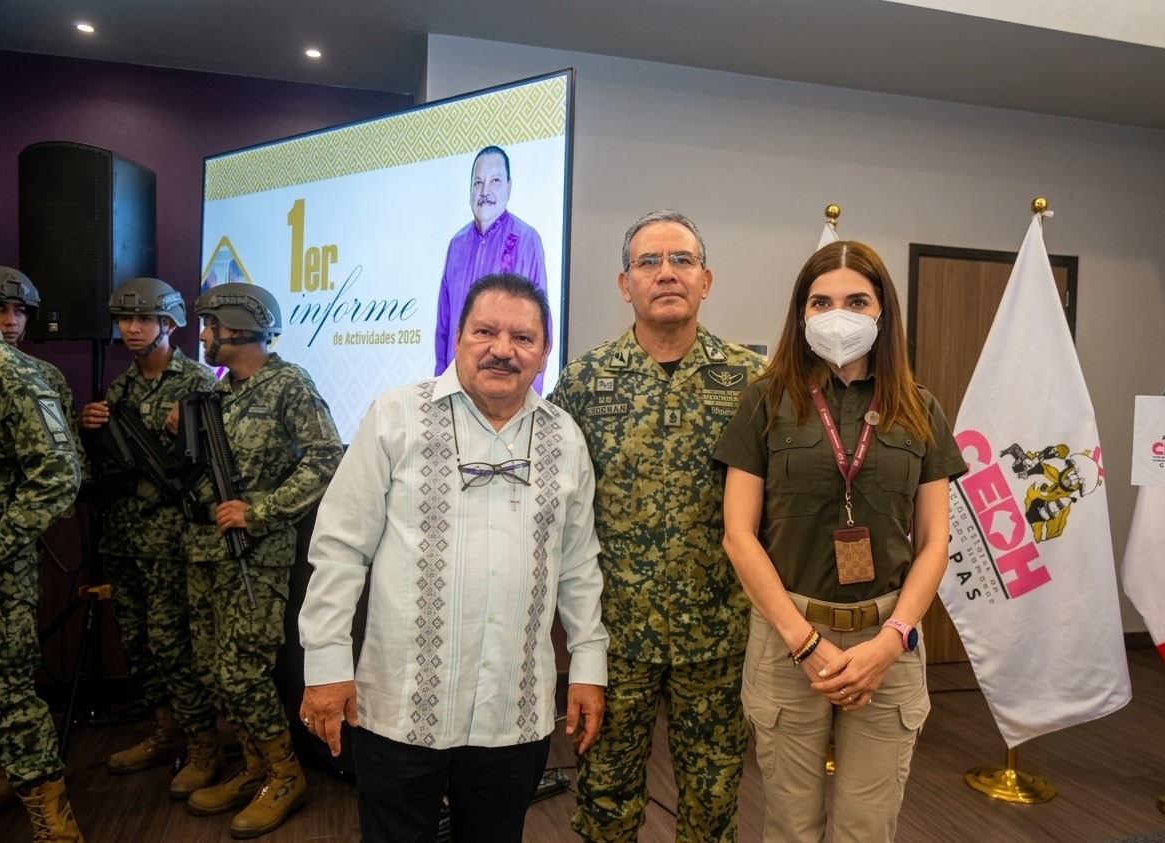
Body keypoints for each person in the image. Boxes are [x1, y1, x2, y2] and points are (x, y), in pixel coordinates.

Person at [299, 273, 607, 843]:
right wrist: (324, 666)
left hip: (513, 712)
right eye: (484, 331)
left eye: (523, 337)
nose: (502, 349)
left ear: (543, 351)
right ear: (457, 337)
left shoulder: (565, 438)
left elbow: (578, 566)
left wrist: (588, 667)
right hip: (400, 706)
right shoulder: (395, 417)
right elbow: (340, 549)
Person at [714, 240, 966, 843]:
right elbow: (738, 536)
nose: (838, 316)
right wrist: (805, 644)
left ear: (883, 313)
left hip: (888, 638)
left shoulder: (919, 408)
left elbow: (934, 542)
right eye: (821, 302)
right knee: (791, 826)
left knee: (866, 826)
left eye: (857, 301)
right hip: (787, 635)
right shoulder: (765, 401)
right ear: (801, 315)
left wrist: (892, 641)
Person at [550, 210, 765, 842]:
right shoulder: (585, 382)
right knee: (604, 801)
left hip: (720, 635)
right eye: (649, 262)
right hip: (615, 639)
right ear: (624, 284)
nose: (665, 273)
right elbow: (558, 508)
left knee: (713, 801)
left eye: (681, 261)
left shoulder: (751, 380)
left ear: (706, 279)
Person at [176, 282, 343, 838]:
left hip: (257, 556)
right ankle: (253, 769)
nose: (201, 336)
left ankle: (285, 774)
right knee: (213, 671)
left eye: (208, 326)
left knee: (243, 672)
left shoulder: (288, 384)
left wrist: (262, 511)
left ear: (236, 326)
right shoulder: (218, 396)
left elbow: (324, 460)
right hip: (206, 554)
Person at [77, 278, 222, 798]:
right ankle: (166, 732)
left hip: (173, 538)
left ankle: (204, 744)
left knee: (171, 643)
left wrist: (184, 430)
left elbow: (221, 467)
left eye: (143, 320)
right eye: (124, 320)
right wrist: (88, 428)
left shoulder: (199, 382)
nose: (132, 329)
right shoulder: (120, 389)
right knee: (137, 642)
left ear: (168, 324)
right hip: (125, 535)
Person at [0, 340, 85, 841]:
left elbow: (58, 475)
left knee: (8, 697)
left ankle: (56, 828)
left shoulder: (11, 373)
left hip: (4, 571)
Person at [434, 145, 549, 390]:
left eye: (495, 181)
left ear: (509, 187)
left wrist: (529, 397)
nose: (485, 191)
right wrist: (440, 387)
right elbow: (444, 326)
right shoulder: (457, 244)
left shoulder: (527, 241)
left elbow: (540, 327)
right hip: (458, 389)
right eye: (478, 183)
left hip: (506, 389)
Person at [0, 267, 84, 465]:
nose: (11, 321)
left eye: (19, 311)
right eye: (0, 309)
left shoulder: (45, 375)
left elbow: (70, 453)